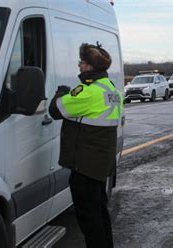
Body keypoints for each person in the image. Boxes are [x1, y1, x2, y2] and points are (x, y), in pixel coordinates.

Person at [48, 43, 122, 248]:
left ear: (90, 66)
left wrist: (60, 93)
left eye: (81, 62)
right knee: (99, 215)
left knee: (89, 222)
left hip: (85, 166)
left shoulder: (89, 92)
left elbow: (55, 110)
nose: (79, 66)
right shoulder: (111, 90)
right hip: (99, 165)